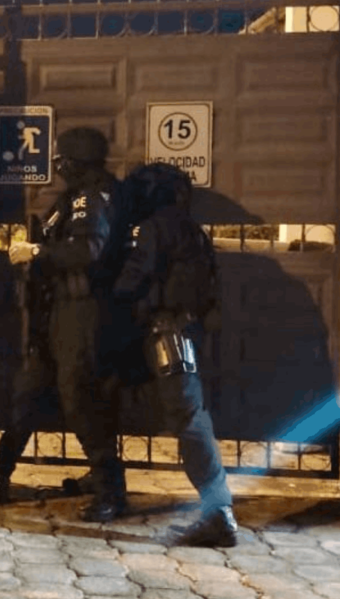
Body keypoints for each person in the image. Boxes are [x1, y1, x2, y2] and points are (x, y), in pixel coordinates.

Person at [0, 127, 128, 521]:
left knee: (80, 400)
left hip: (82, 313)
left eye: (60, 160)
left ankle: (110, 492)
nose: (56, 167)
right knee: (28, 391)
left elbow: (88, 248)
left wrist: (37, 251)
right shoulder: (75, 197)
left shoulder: (93, 197)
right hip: (57, 312)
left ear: (75, 161)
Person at [111, 161, 237, 547]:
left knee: (189, 418)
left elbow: (132, 279)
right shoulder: (189, 227)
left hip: (168, 332)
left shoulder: (157, 227)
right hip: (186, 330)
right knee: (188, 415)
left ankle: (218, 513)